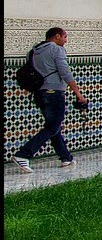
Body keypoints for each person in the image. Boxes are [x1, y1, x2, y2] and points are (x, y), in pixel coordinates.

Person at [12, 26, 87, 172]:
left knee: (53, 126)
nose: (66, 41)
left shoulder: (33, 51)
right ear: (57, 36)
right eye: (65, 37)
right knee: (53, 126)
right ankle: (23, 155)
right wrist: (78, 93)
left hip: (39, 93)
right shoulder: (57, 49)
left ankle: (66, 157)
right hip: (54, 92)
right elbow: (65, 72)